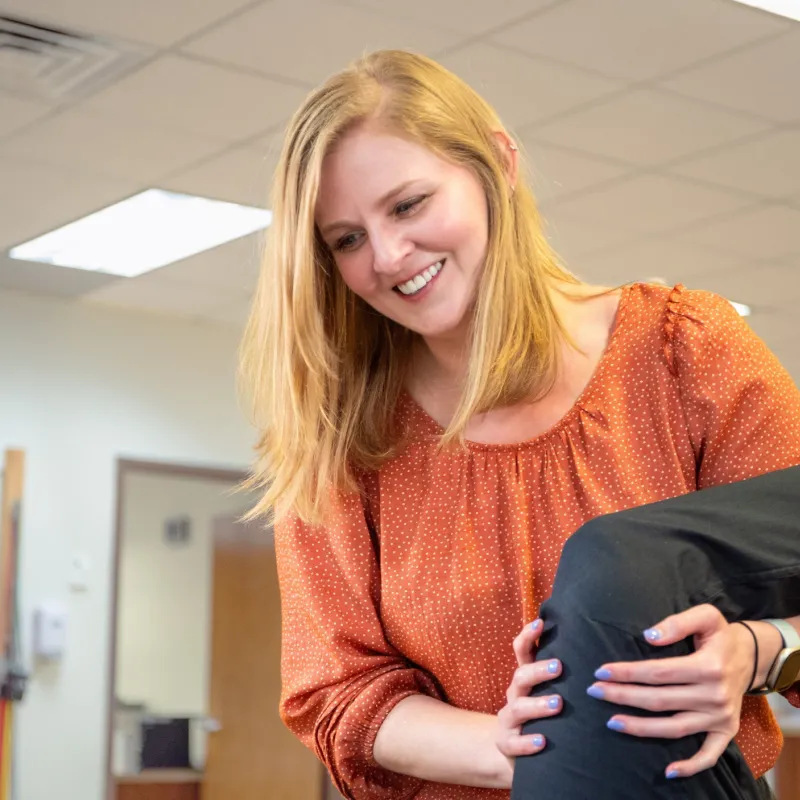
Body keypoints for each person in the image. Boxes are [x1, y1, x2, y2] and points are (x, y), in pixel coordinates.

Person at [238, 49, 800, 800]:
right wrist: (517, 747)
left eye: (408, 205)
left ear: (498, 163)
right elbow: (334, 693)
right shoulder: (342, 439)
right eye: (346, 239)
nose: (388, 255)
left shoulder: (685, 353)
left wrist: (755, 652)